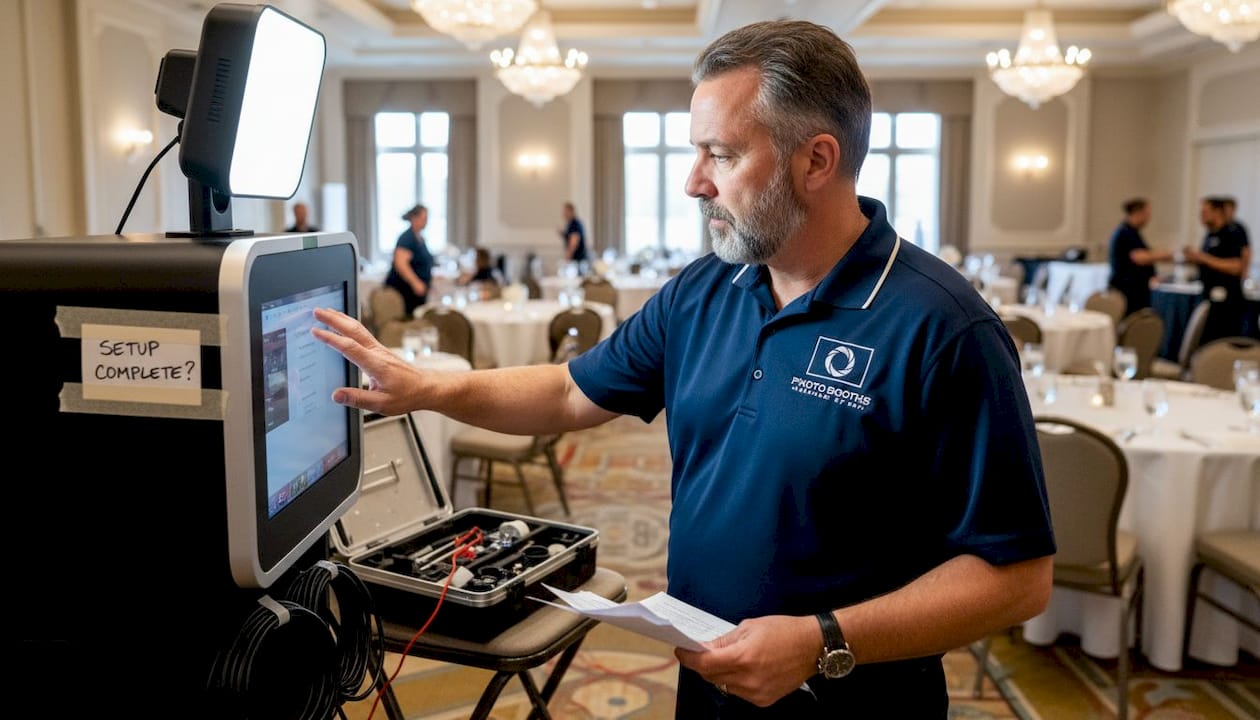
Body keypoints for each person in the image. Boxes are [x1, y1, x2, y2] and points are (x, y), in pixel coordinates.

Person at [312, 20, 1054, 718]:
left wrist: (822, 640)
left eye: (721, 155)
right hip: (707, 678)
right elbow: (571, 393)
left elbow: (1016, 579)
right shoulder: (707, 289)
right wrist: (430, 388)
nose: (694, 182)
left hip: (848, 695)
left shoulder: (943, 328)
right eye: (694, 153)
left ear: (816, 160)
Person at [1185, 196, 1252, 344]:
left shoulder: (1233, 232)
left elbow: (1237, 266)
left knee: (1223, 343)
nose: (1201, 215)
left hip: (1227, 302)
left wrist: (1204, 258)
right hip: (1208, 298)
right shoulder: (1209, 235)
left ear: (1217, 212)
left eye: (1205, 211)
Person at [1107, 197, 1171, 314]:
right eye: (1147, 214)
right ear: (1138, 212)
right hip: (1127, 292)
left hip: (1136, 291)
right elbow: (1138, 257)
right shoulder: (1124, 233)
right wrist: (1168, 255)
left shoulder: (1133, 232)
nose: (1149, 218)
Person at [383, 204, 435, 318]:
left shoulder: (420, 238)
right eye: (424, 218)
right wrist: (415, 283)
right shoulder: (407, 238)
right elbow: (400, 264)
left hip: (416, 294)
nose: (426, 221)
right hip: (405, 291)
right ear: (414, 218)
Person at [559, 202, 588, 266]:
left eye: (565, 212)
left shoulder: (574, 224)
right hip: (578, 259)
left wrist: (568, 256)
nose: (564, 214)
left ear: (570, 211)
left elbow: (574, 241)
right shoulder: (571, 224)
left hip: (577, 259)